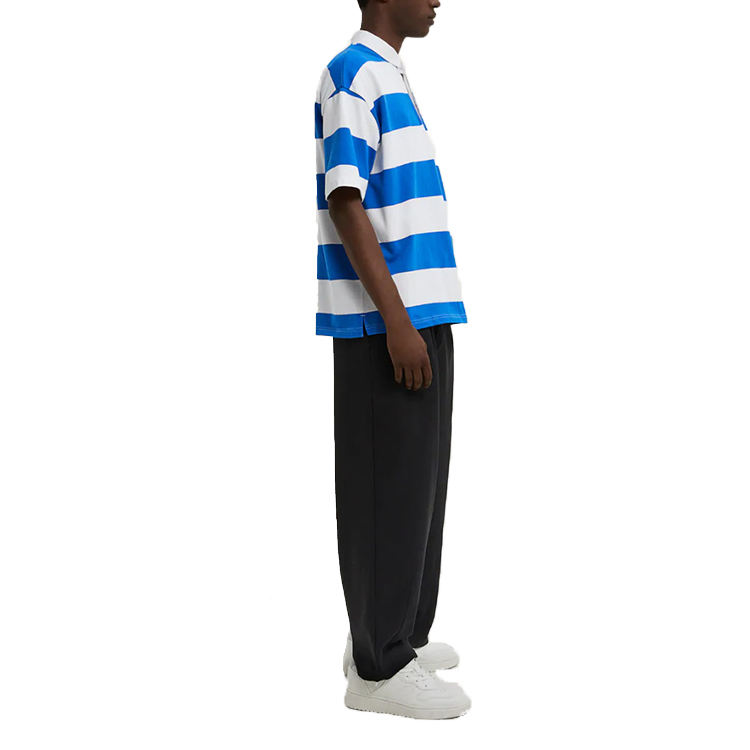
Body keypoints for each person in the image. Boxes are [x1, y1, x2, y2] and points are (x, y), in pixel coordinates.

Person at [314, 0, 470, 719]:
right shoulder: (352, 73)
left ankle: (397, 635)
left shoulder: (391, 74)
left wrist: (419, 322)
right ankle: (377, 671)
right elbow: (345, 202)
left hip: (423, 316)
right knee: (385, 489)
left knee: (419, 490)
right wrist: (396, 323)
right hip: (387, 325)